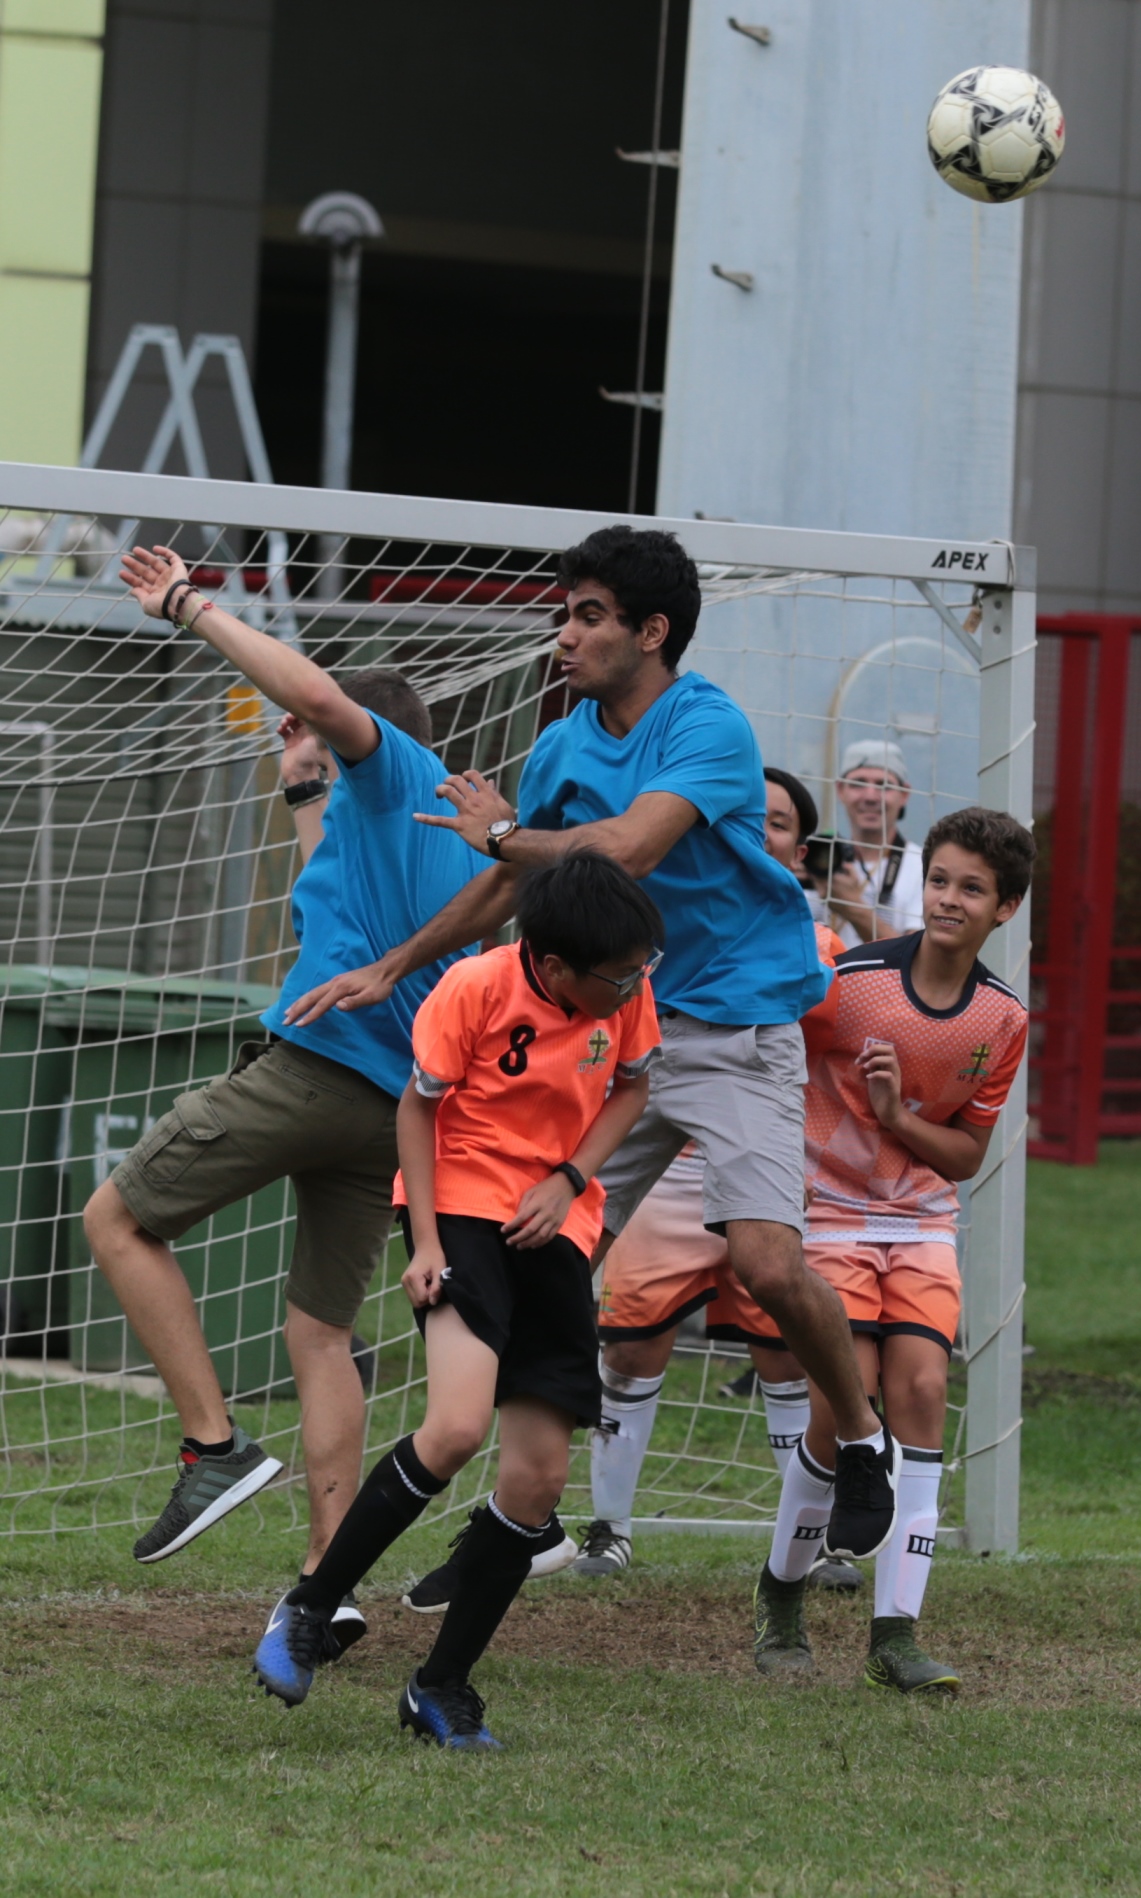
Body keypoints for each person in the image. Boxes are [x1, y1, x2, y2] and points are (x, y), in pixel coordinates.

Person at [284, 525, 901, 1566]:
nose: (562, 636)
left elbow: (626, 849)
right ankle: (519, 1512)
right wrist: (396, 965)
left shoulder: (708, 723)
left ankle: (862, 1438)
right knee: (540, 1255)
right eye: (563, 614)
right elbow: (514, 876)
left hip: (739, 1021)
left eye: (587, 616)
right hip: (620, 1033)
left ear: (651, 632)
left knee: (764, 1262)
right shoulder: (564, 743)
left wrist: (498, 832)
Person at [82, 546, 486, 1653]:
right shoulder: (432, 837)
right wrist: (304, 781)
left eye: (315, 734)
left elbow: (316, 694)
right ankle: (326, 1582)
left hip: (316, 1074)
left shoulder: (394, 767)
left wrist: (190, 606)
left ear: (365, 735)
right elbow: (334, 877)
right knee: (322, 1333)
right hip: (389, 1114)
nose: (297, 733)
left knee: (116, 1219)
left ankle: (212, 1446)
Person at [252, 852, 662, 1749]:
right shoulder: (474, 988)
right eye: (622, 975)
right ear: (552, 966)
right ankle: (309, 1606)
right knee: (455, 1428)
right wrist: (429, 1241)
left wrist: (570, 1177)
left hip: (557, 1223)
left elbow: (633, 1085)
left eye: (643, 969)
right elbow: (417, 1109)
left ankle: (440, 1686)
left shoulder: (621, 988)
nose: (637, 985)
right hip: (465, 1206)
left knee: (538, 1480)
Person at [752, 806, 1033, 1694]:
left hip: (919, 1222)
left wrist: (896, 1116)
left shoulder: (1003, 1018)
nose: (949, 899)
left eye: (972, 889)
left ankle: (895, 1635)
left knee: (922, 1393)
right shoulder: (850, 981)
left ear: (1005, 908)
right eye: (940, 879)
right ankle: (782, 1597)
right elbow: (771, 1063)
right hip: (829, 1214)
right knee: (839, 1408)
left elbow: (966, 1156)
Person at [565, 767, 857, 1586]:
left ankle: (814, 1534)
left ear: (799, 852)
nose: (755, 833)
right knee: (631, 1347)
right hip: (665, 1180)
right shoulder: (652, 931)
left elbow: (831, 1055)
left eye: (776, 824)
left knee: (783, 1353)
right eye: (742, 818)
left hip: (761, 1174)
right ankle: (607, 1528)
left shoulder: (815, 944)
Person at [816, 740, 925, 948]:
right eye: (858, 783)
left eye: (884, 785)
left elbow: (917, 958)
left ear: (904, 795)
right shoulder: (817, 860)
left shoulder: (923, 867)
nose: (870, 796)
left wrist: (851, 905)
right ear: (840, 790)